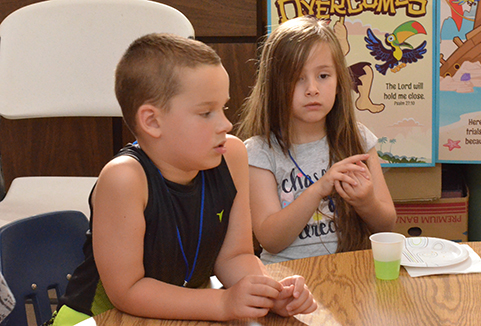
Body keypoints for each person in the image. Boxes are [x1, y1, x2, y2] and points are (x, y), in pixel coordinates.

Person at [46, 33, 317, 325]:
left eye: (223, 108)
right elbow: (127, 291)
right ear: (152, 121)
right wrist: (224, 301)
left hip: (186, 313)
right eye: (206, 112)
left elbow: (234, 256)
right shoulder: (124, 179)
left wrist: (266, 293)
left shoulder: (232, 156)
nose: (225, 124)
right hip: (98, 319)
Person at [237, 16, 396, 265]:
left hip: (352, 272)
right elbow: (270, 240)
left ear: (338, 81)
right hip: (287, 278)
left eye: (323, 76)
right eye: (298, 78)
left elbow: (387, 224)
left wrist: (366, 202)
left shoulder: (359, 138)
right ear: (274, 85)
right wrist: (319, 188)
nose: (312, 89)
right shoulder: (260, 151)